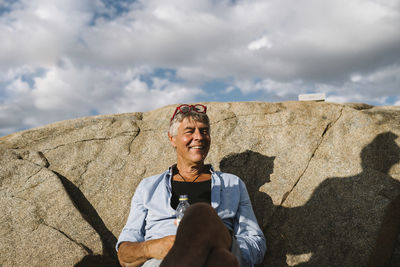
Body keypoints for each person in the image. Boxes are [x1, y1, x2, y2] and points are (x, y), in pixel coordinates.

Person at [116, 104, 266, 267]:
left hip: (222, 252)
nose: (199, 137)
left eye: (204, 131)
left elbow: (255, 242)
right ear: (172, 139)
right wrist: (152, 248)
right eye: (189, 131)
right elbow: (124, 255)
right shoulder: (148, 187)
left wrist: (219, 243)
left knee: (201, 214)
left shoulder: (233, 184)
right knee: (222, 260)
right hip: (165, 262)